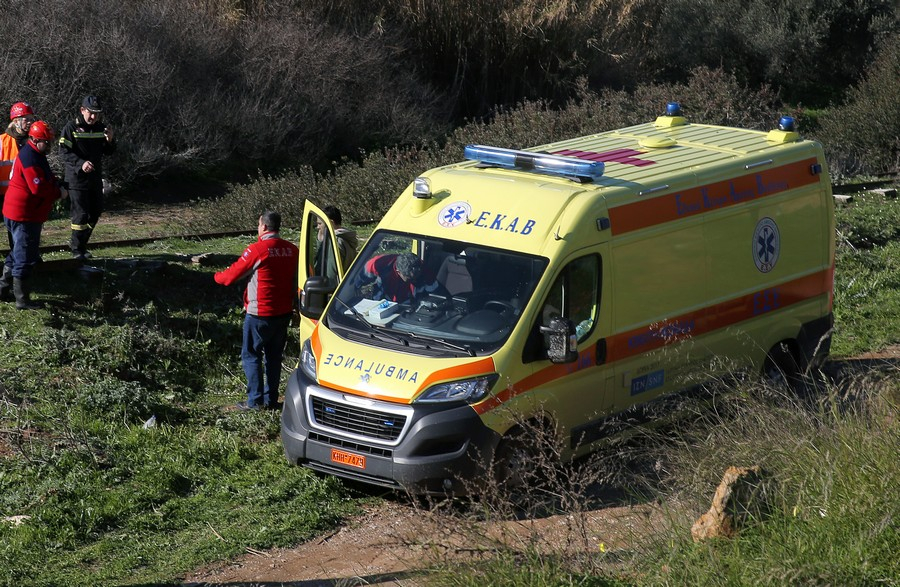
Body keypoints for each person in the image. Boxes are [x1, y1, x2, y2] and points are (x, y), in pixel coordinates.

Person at [214, 211, 299, 410]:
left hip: (260, 313)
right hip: (283, 312)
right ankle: (271, 400)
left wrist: (215, 276)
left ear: (264, 227)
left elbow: (229, 277)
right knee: (274, 358)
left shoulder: (257, 249)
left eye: (258, 224)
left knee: (251, 355)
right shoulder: (292, 249)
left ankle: (255, 402)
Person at [0, 121, 68, 310]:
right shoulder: (30, 157)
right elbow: (37, 188)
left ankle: (3, 289)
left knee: (16, 253)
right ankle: (22, 300)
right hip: (23, 215)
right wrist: (58, 193)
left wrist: (56, 183)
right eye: (46, 142)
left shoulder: (35, 153)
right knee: (24, 256)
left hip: (19, 212)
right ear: (35, 139)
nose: (49, 146)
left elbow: (45, 176)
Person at [58, 95, 115, 261]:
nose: (93, 117)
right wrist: (80, 164)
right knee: (80, 215)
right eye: (91, 113)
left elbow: (109, 151)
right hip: (76, 179)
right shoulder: (71, 128)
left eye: (97, 114)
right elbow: (64, 152)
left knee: (95, 212)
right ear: (82, 110)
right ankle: (76, 249)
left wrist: (110, 141)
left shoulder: (101, 128)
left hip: (95, 179)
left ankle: (82, 244)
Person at [1, 102, 36, 257]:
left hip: (26, 195)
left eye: (31, 119)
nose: (29, 122)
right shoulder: (2, 142)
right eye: (25, 119)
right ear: (15, 121)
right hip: (4, 195)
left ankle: (26, 258)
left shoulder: (34, 140)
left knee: (26, 230)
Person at [356, 252, 443, 303]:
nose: (415, 280)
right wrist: (356, 292)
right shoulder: (379, 264)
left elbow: (436, 295)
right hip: (383, 303)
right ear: (399, 272)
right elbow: (358, 281)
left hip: (410, 306)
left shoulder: (425, 270)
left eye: (417, 276)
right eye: (410, 279)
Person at [314, 204, 358, 284]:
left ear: (330, 223)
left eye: (320, 224)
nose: (317, 227)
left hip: (332, 290)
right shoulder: (345, 238)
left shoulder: (334, 242)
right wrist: (320, 242)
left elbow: (330, 273)